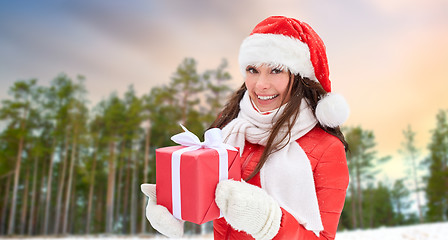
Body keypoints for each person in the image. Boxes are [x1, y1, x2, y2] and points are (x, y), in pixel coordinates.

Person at [141, 16, 350, 240]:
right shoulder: (230, 129)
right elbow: (214, 201)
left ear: (300, 77)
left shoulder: (327, 148)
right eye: (253, 70)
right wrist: (177, 204)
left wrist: (268, 222)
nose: (261, 84)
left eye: (276, 70)